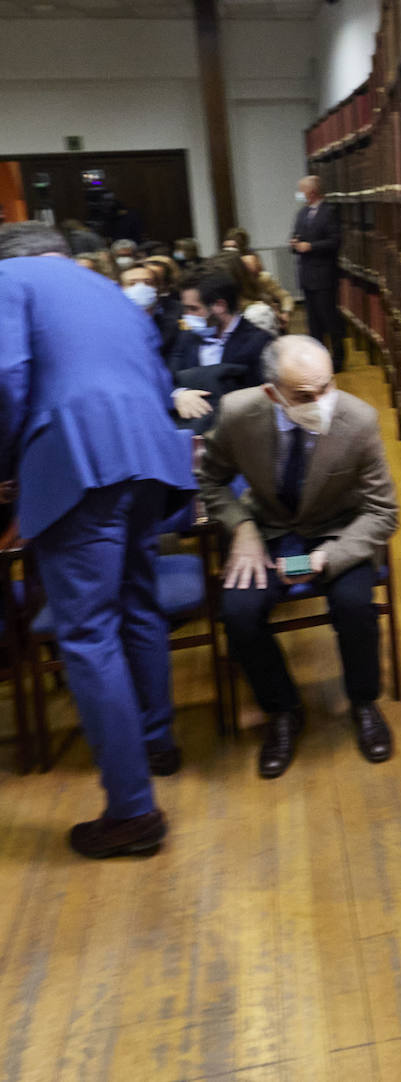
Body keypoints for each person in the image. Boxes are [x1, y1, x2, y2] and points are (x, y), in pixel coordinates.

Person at [0, 222, 196, 857]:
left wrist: (7, 468)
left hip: (80, 460)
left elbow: (6, 381)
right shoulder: (106, 288)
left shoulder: (7, 280)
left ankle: (132, 811)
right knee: (139, 603)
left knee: (87, 634)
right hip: (149, 457)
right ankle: (157, 741)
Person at [197, 335, 398, 779]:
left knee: (353, 605)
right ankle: (282, 710)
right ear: (272, 393)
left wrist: (335, 553)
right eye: (304, 396)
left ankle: (364, 703)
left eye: (326, 388)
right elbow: (210, 482)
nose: (320, 403)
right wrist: (243, 529)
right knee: (238, 613)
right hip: (267, 529)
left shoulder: (358, 419)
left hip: (337, 530)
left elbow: (383, 511)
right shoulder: (238, 413)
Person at [166, 267, 273, 433]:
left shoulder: (259, 343)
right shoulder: (187, 337)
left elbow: (265, 401)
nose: (186, 316)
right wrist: (179, 395)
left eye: (193, 309)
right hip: (188, 433)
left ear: (220, 306)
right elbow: (168, 378)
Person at [289, 176, 344, 371]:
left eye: (301, 190)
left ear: (311, 192)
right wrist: (294, 244)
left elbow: (334, 241)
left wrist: (310, 246)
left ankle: (338, 359)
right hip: (306, 275)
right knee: (313, 322)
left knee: (329, 318)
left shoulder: (329, 212)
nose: (299, 194)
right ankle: (318, 359)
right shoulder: (302, 213)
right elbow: (295, 236)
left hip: (324, 275)